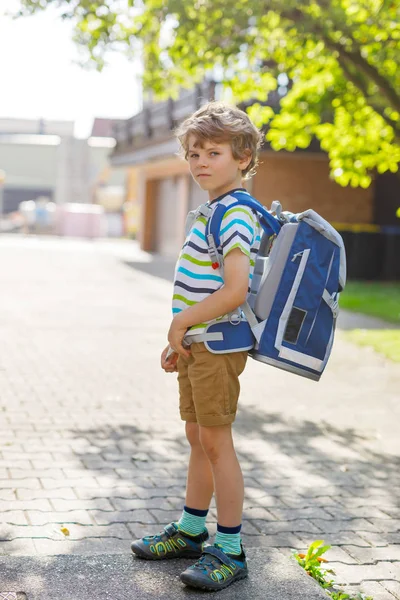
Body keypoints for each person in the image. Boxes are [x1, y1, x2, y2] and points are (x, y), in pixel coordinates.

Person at [131, 101, 262, 591]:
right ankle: (191, 528)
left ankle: (230, 548)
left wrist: (182, 321)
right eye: (193, 153)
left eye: (214, 152)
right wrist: (182, 335)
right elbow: (201, 285)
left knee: (215, 441)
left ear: (243, 157)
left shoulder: (234, 217)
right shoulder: (211, 212)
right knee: (197, 438)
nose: (201, 162)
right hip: (198, 343)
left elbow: (235, 290)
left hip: (219, 345)